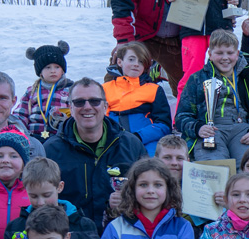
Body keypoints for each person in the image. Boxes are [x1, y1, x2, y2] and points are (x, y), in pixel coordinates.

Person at [42, 79, 146, 224]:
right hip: (70, 237)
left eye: (94, 101)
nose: (87, 107)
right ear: (70, 108)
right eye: (79, 102)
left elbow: (147, 194)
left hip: (121, 235)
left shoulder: (132, 146)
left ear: (105, 106)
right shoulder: (51, 151)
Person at [176, 29, 249, 162]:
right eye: (219, 53)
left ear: (237, 54)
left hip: (242, 130)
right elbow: (182, 116)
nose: (225, 58)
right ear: (210, 54)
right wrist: (198, 127)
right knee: (214, 168)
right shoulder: (197, 79)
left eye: (230, 53)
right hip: (210, 131)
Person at [105, 42, 175, 154]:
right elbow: (100, 121)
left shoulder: (155, 90)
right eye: (131, 59)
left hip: (146, 142)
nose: (136, 64)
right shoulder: (105, 89)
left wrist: (138, 137)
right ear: (120, 61)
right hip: (113, 142)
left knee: (151, 164)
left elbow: (164, 125)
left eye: (141, 61)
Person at [11, 41, 74, 139]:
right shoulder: (32, 91)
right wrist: (15, 128)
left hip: (61, 137)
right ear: (40, 72)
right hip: (34, 136)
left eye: (57, 67)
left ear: (63, 70)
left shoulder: (71, 89)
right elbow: (21, 113)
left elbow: (77, 112)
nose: (53, 71)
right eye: (48, 67)